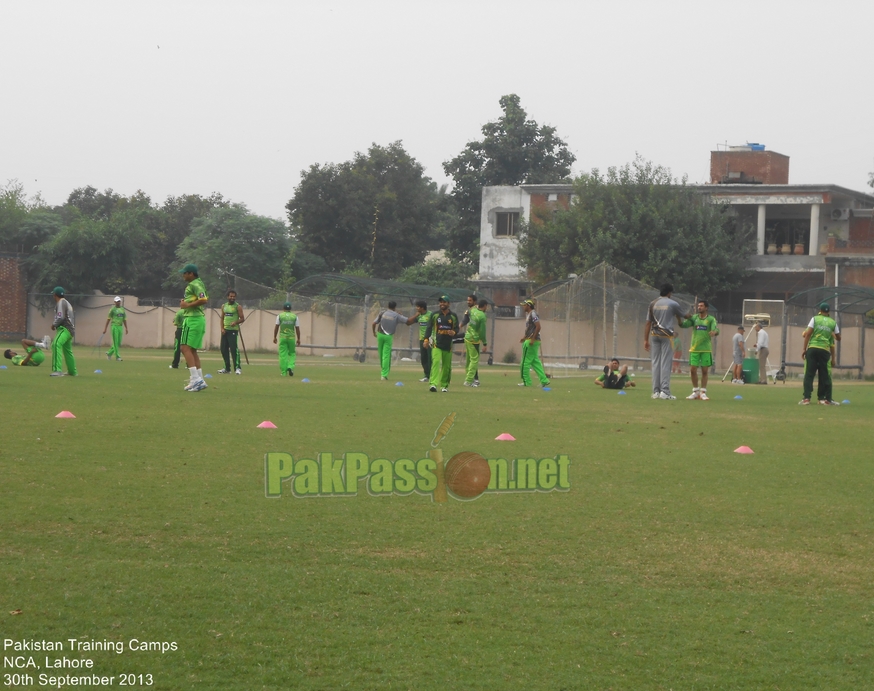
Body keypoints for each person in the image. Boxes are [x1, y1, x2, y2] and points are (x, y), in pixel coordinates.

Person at [642, 283, 688, 399]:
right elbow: (685, 316)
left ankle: (656, 391)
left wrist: (645, 340)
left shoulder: (653, 303)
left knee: (656, 363)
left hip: (654, 335)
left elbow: (648, 323)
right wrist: (694, 316)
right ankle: (665, 392)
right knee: (666, 363)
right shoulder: (673, 303)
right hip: (666, 336)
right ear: (669, 293)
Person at [800, 302, 841, 405]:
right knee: (824, 375)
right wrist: (833, 334)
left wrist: (804, 349)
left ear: (820, 310)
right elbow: (838, 338)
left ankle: (806, 398)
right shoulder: (832, 322)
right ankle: (822, 399)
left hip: (813, 349)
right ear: (829, 311)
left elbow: (807, 334)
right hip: (824, 351)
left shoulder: (815, 319)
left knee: (809, 375)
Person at [179, 264, 209, 392]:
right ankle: (198, 380)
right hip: (196, 319)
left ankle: (195, 379)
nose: (183, 275)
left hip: (193, 319)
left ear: (191, 273)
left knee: (184, 348)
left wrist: (187, 305)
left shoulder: (194, 284)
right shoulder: (198, 283)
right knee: (192, 350)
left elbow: (203, 299)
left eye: (185, 273)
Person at [682, 300, 719, 401]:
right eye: (698, 306)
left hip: (706, 349)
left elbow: (716, 329)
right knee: (693, 370)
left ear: (706, 308)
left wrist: (714, 332)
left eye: (701, 306)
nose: (699, 307)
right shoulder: (694, 318)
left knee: (705, 371)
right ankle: (695, 391)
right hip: (694, 348)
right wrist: (679, 316)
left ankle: (703, 392)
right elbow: (683, 325)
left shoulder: (711, 319)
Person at [423, 295, 458, 392]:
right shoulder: (435, 315)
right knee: (436, 362)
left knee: (446, 367)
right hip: (436, 344)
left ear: (448, 304)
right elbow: (429, 328)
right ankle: (433, 384)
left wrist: (454, 332)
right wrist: (426, 340)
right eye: (441, 302)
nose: (442, 304)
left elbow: (456, 328)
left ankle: (444, 386)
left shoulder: (453, 316)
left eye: (444, 302)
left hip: (448, 346)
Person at [372, 300, 409, 381]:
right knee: (386, 355)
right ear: (395, 307)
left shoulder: (382, 313)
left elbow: (374, 323)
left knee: (381, 354)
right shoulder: (396, 315)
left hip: (379, 335)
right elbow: (407, 321)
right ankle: (383, 375)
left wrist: (374, 333)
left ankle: (383, 371)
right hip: (388, 336)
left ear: (387, 306)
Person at [519, 299, 550, 388]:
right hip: (530, 340)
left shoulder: (533, 314)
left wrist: (532, 339)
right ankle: (544, 380)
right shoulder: (529, 314)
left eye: (524, 305)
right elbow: (530, 328)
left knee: (525, 362)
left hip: (532, 341)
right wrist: (524, 337)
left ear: (528, 306)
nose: (523, 307)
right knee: (535, 362)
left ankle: (526, 382)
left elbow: (538, 326)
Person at [50, 286, 77, 377]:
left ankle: (57, 370)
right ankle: (72, 371)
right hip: (71, 330)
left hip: (65, 329)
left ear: (54, 295)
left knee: (56, 344)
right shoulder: (67, 302)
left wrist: (54, 324)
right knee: (67, 351)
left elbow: (61, 317)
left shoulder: (60, 302)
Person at [218, 290, 245, 375]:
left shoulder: (238, 306)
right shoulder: (224, 306)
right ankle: (227, 368)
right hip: (225, 331)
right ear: (227, 297)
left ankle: (237, 368)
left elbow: (242, 318)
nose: (232, 298)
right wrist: (222, 328)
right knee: (223, 349)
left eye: (234, 296)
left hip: (233, 331)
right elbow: (222, 318)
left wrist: (235, 322)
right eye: (231, 296)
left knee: (234, 349)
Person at [463, 299, 488, 387]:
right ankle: (469, 381)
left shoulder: (473, 310)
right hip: (474, 340)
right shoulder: (482, 316)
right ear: (484, 306)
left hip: (467, 337)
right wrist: (484, 343)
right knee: (474, 360)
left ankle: (469, 378)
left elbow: (467, 315)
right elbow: (482, 331)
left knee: (469, 360)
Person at [274, 302, 300, 377]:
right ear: (290, 309)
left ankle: (283, 372)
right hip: (291, 338)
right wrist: (298, 339)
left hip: (283, 338)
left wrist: (274, 337)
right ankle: (290, 366)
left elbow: (276, 327)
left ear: (283, 308)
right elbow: (297, 328)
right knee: (292, 353)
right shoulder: (295, 316)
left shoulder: (280, 316)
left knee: (283, 355)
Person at [460, 294, 481, 385]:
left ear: (475, 302)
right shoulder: (468, 311)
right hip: (469, 338)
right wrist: (459, 327)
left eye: (470, 300)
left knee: (473, 360)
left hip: (475, 338)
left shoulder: (478, 311)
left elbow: (478, 324)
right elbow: (465, 320)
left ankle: (474, 379)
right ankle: (473, 378)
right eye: (467, 300)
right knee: (471, 360)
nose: (468, 302)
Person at [411, 300, 432, 382]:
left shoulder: (430, 315)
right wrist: (415, 316)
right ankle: (426, 375)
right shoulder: (419, 316)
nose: (416, 308)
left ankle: (432, 375)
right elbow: (409, 322)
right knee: (423, 358)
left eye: (418, 307)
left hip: (430, 339)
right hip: (422, 339)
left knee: (430, 358)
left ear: (422, 308)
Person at [103, 296, 128, 361]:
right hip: (114, 326)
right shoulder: (112, 310)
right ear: (114, 302)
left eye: (119, 301)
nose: (118, 302)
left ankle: (109, 353)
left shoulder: (122, 309)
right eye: (117, 301)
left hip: (120, 326)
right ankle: (118, 357)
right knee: (115, 342)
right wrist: (105, 328)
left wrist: (126, 328)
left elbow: (124, 319)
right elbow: (108, 319)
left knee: (118, 343)